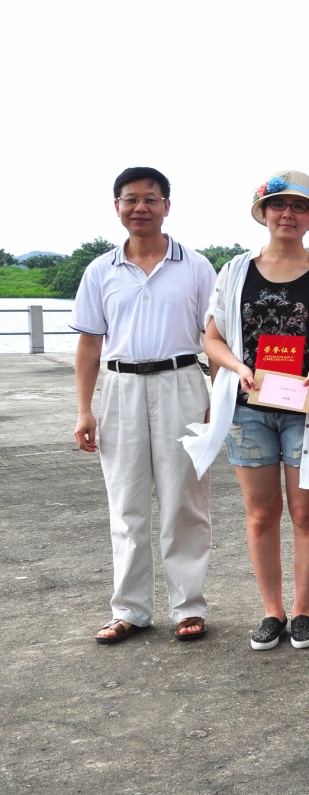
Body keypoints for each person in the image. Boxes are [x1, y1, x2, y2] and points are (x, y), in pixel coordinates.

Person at [183, 171, 309, 651]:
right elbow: (212, 337)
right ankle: (273, 610)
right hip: (247, 407)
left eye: (299, 207)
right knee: (260, 513)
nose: (287, 214)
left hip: (304, 407)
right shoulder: (235, 272)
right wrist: (238, 366)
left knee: (306, 513)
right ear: (264, 213)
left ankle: (303, 611)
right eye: (279, 205)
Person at [73, 167, 216, 644]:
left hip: (182, 382)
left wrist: (217, 405)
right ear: (116, 206)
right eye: (130, 199)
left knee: (185, 502)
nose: (140, 208)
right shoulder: (101, 270)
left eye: (150, 199)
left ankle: (188, 607)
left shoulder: (196, 267)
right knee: (126, 504)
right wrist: (84, 409)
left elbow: (215, 339)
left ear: (166, 206)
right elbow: (90, 344)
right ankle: (129, 610)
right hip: (120, 388)